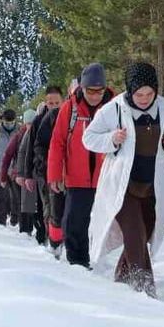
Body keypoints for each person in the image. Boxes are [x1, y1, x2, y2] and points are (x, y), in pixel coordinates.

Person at [81, 62, 164, 297]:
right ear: (130, 91)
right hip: (122, 187)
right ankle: (144, 290)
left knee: (142, 236)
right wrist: (112, 139)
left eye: (150, 93)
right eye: (139, 94)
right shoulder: (113, 110)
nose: (145, 98)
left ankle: (121, 285)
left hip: (152, 187)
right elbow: (88, 138)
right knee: (135, 235)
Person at [47, 64, 114, 268]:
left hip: (107, 176)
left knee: (111, 222)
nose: (95, 96)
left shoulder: (114, 106)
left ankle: (112, 261)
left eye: (99, 91)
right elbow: (57, 142)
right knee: (75, 221)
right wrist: (55, 175)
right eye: (90, 91)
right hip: (77, 177)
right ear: (82, 88)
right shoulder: (70, 108)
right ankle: (78, 263)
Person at [35, 85, 69, 256]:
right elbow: (32, 148)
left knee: (67, 209)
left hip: (69, 172)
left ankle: (66, 241)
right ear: (46, 102)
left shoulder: (70, 116)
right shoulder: (41, 120)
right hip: (47, 171)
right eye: (51, 102)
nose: (54, 105)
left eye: (57, 102)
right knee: (51, 207)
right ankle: (53, 242)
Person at [4, 109, 39, 235]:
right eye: (28, 123)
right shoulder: (19, 136)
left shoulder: (38, 133)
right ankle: (25, 230)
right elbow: (10, 155)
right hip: (19, 174)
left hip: (34, 173)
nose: (30, 125)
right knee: (23, 202)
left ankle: (32, 229)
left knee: (32, 203)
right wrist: (16, 174)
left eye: (32, 122)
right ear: (24, 123)